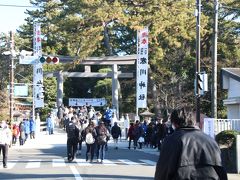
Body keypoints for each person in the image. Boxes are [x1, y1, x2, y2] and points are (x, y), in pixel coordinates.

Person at [154, 108, 228, 180]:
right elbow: (220, 168)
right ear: (194, 121)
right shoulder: (211, 141)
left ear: (174, 123)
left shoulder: (171, 140)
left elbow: (163, 170)